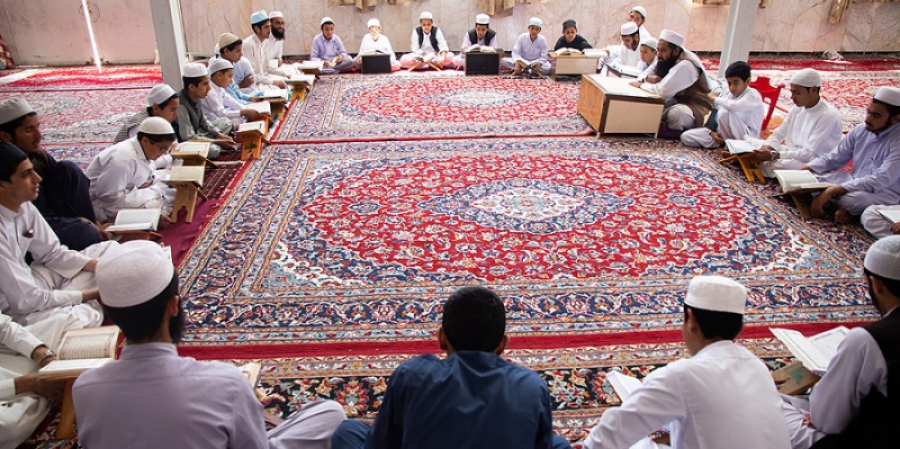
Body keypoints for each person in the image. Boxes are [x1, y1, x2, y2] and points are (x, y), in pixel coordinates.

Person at [73, 240, 347, 448]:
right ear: (174, 305)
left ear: (109, 311)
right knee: (330, 414)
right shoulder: (225, 383)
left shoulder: (85, 389)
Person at [330, 286, 571, 449]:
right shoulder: (530, 386)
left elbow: (381, 444)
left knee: (347, 431)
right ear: (503, 345)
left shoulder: (412, 375)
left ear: (441, 339)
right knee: (559, 444)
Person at [582, 276, 791, 449]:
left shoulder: (681, 376)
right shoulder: (757, 366)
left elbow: (609, 438)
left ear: (690, 319)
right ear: (739, 328)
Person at [781, 236, 900, 448]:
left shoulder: (868, 340)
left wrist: (818, 415)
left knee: (766, 404)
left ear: (876, 284)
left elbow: (826, 421)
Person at [0, 141, 105, 328]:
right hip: (12, 310)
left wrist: (103, 267)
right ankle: (72, 299)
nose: (37, 178)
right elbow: (25, 300)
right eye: (26, 174)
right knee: (83, 318)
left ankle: (67, 296)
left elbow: (52, 253)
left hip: (33, 280)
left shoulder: (24, 206)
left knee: (106, 251)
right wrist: (93, 294)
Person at [0, 98, 106, 251]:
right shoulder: (5, 167)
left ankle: (93, 227)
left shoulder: (38, 155)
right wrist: (76, 222)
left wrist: (90, 221)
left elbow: (67, 185)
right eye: (29, 130)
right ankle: (89, 232)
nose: (39, 136)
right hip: (28, 230)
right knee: (84, 232)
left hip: (52, 217)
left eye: (38, 127)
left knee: (69, 169)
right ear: (5, 136)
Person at [800, 86, 900, 223]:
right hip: (853, 180)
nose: (868, 119)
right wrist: (804, 170)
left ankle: (850, 212)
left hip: (884, 193)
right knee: (810, 181)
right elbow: (833, 159)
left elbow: (880, 180)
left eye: (876, 116)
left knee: (852, 200)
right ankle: (844, 211)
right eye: (868, 112)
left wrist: (834, 190)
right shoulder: (862, 130)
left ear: (895, 119)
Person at [0, 311, 83, 448]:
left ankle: (48, 385)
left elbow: (4, 328)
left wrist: (43, 356)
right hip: (7, 385)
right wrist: (26, 384)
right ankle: (50, 390)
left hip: (4, 354)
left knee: (68, 322)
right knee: (7, 426)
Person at [749, 68, 843, 178]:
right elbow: (779, 133)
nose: (792, 97)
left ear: (813, 90)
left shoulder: (827, 117)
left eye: (797, 93)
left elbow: (808, 153)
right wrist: (768, 148)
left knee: (776, 165)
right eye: (792, 92)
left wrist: (774, 155)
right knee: (753, 144)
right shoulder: (798, 108)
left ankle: (750, 162)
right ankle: (752, 159)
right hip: (792, 152)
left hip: (812, 161)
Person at [85, 117, 176, 224]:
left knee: (169, 181)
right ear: (145, 140)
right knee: (154, 203)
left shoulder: (141, 148)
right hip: (103, 205)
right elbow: (108, 196)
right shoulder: (123, 159)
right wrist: (140, 191)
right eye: (162, 149)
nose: (164, 153)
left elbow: (150, 166)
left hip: (126, 192)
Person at [632, 29, 714, 138]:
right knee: (648, 109)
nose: (659, 54)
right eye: (658, 50)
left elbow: (662, 91)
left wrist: (642, 85)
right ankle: (663, 127)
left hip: (695, 106)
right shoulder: (665, 59)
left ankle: (676, 134)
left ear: (675, 51)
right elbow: (643, 74)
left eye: (663, 51)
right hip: (676, 100)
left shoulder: (686, 65)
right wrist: (646, 78)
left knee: (676, 114)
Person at [680, 61, 765, 149]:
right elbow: (717, 110)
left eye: (736, 83)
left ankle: (732, 146)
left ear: (747, 82)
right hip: (726, 134)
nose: (732, 87)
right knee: (686, 137)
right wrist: (711, 132)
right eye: (729, 83)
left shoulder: (753, 95)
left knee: (725, 112)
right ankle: (724, 143)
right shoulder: (730, 94)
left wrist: (714, 99)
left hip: (746, 138)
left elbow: (733, 107)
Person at [175, 62, 237, 160]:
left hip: (198, 132)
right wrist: (218, 141)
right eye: (205, 84)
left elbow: (204, 121)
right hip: (185, 143)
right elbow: (188, 137)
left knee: (226, 122)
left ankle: (214, 142)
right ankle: (215, 145)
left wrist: (219, 135)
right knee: (213, 151)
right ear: (191, 87)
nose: (209, 88)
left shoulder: (197, 96)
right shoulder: (181, 105)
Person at [201, 58, 264, 130]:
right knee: (237, 121)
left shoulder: (220, 88)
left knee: (242, 116)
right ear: (219, 75)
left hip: (221, 118)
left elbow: (233, 103)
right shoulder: (210, 92)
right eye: (230, 76)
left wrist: (246, 110)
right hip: (213, 122)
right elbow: (221, 113)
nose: (231, 81)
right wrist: (242, 112)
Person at [115, 84, 180, 143]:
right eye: (172, 110)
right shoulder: (140, 128)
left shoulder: (161, 121)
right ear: (156, 108)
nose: (176, 114)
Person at [242, 10, 287, 89]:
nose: (269, 30)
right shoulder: (248, 45)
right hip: (250, 85)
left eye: (270, 26)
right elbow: (251, 75)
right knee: (277, 88)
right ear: (257, 29)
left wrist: (286, 74)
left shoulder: (264, 42)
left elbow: (267, 66)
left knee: (286, 81)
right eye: (266, 27)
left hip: (262, 80)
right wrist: (273, 82)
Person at [265, 10, 302, 79]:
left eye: (282, 23)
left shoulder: (279, 37)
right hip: (265, 72)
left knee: (296, 68)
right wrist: (276, 62)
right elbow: (262, 64)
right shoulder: (264, 38)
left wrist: (277, 62)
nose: (281, 26)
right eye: (277, 23)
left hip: (274, 67)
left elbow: (279, 59)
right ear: (270, 24)